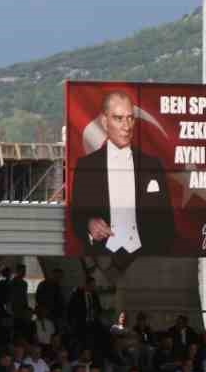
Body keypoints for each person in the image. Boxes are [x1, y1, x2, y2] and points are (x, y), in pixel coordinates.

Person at [68, 89, 173, 261]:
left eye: (130, 118)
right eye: (118, 118)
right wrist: (89, 224)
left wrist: (158, 254)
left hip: (148, 260)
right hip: (102, 258)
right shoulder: (86, 166)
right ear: (104, 122)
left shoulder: (152, 165)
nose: (127, 126)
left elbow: (167, 221)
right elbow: (77, 214)